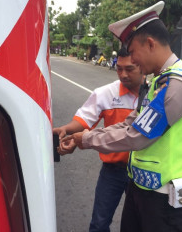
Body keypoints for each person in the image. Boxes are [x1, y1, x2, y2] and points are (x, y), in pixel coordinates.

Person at [60, 1, 182, 232]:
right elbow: (130, 123)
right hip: (142, 191)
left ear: (150, 43)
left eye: (133, 52)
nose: (132, 61)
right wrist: (86, 135)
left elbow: (138, 136)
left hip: (164, 200)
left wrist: (86, 140)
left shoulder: (178, 85)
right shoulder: (159, 81)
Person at [53, 48, 143, 232]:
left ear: (143, 66)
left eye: (129, 69)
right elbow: (84, 119)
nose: (123, 74)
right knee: (99, 224)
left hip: (145, 172)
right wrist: (66, 130)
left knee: (140, 224)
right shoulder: (106, 93)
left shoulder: (156, 93)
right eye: (119, 68)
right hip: (114, 171)